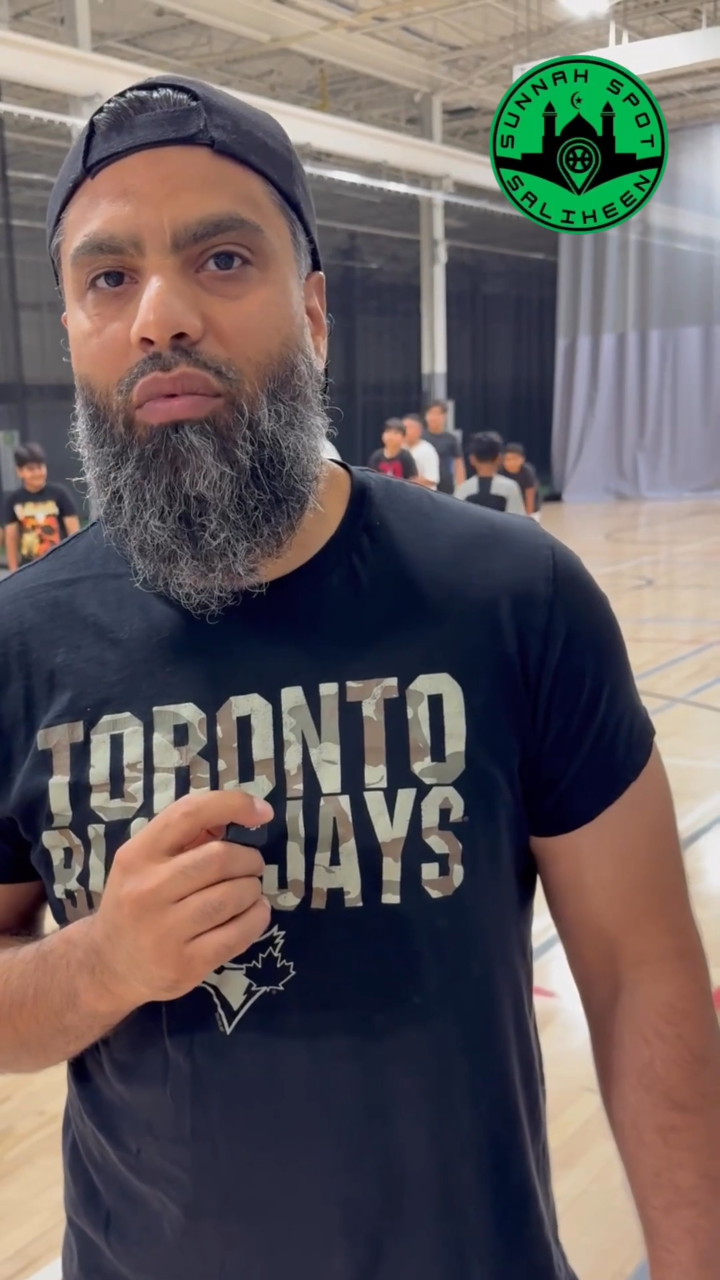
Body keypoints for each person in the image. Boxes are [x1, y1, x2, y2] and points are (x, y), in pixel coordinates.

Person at [0, 75, 719, 1280]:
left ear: (314, 307)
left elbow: (644, 969)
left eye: (222, 258)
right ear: (72, 324)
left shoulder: (514, 595)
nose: (160, 315)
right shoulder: (18, 641)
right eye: (109, 277)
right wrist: (104, 960)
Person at [3, 442, 80, 571]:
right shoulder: (14, 500)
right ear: (19, 471)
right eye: (31, 469)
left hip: (60, 564)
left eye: (40, 467)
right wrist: (13, 571)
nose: (37, 473)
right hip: (29, 567)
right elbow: (11, 538)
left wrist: (75, 563)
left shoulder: (60, 494)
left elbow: (74, 532)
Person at [455, 433, 527, 515]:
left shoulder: (464, 489)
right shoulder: (510, 487)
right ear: (499, 458)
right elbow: (518, 518)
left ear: (472, 459)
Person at [424, 399, 465, 494]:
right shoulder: (420, 437)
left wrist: (461, 487)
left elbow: (458, 465)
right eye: (431, 413)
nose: (434, 417)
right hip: (425, 486)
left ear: (445, 417)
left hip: (446, 486)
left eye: (438, 414)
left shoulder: (451, 439)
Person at [500, 441, 541, 519]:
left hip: (530, 507)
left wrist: (529, 516)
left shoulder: (527, 472)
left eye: (514, 459)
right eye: (507, 459)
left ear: (522, 459)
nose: (510, 462)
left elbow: (530, 495)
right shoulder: (500, 472)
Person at [402, 413, 440, 490]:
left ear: (419, 431)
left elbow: (431, 480)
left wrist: (405, 481)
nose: (405, 431)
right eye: (403, 427)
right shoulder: (400, 448)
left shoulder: (427, 450)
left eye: (409, 427)